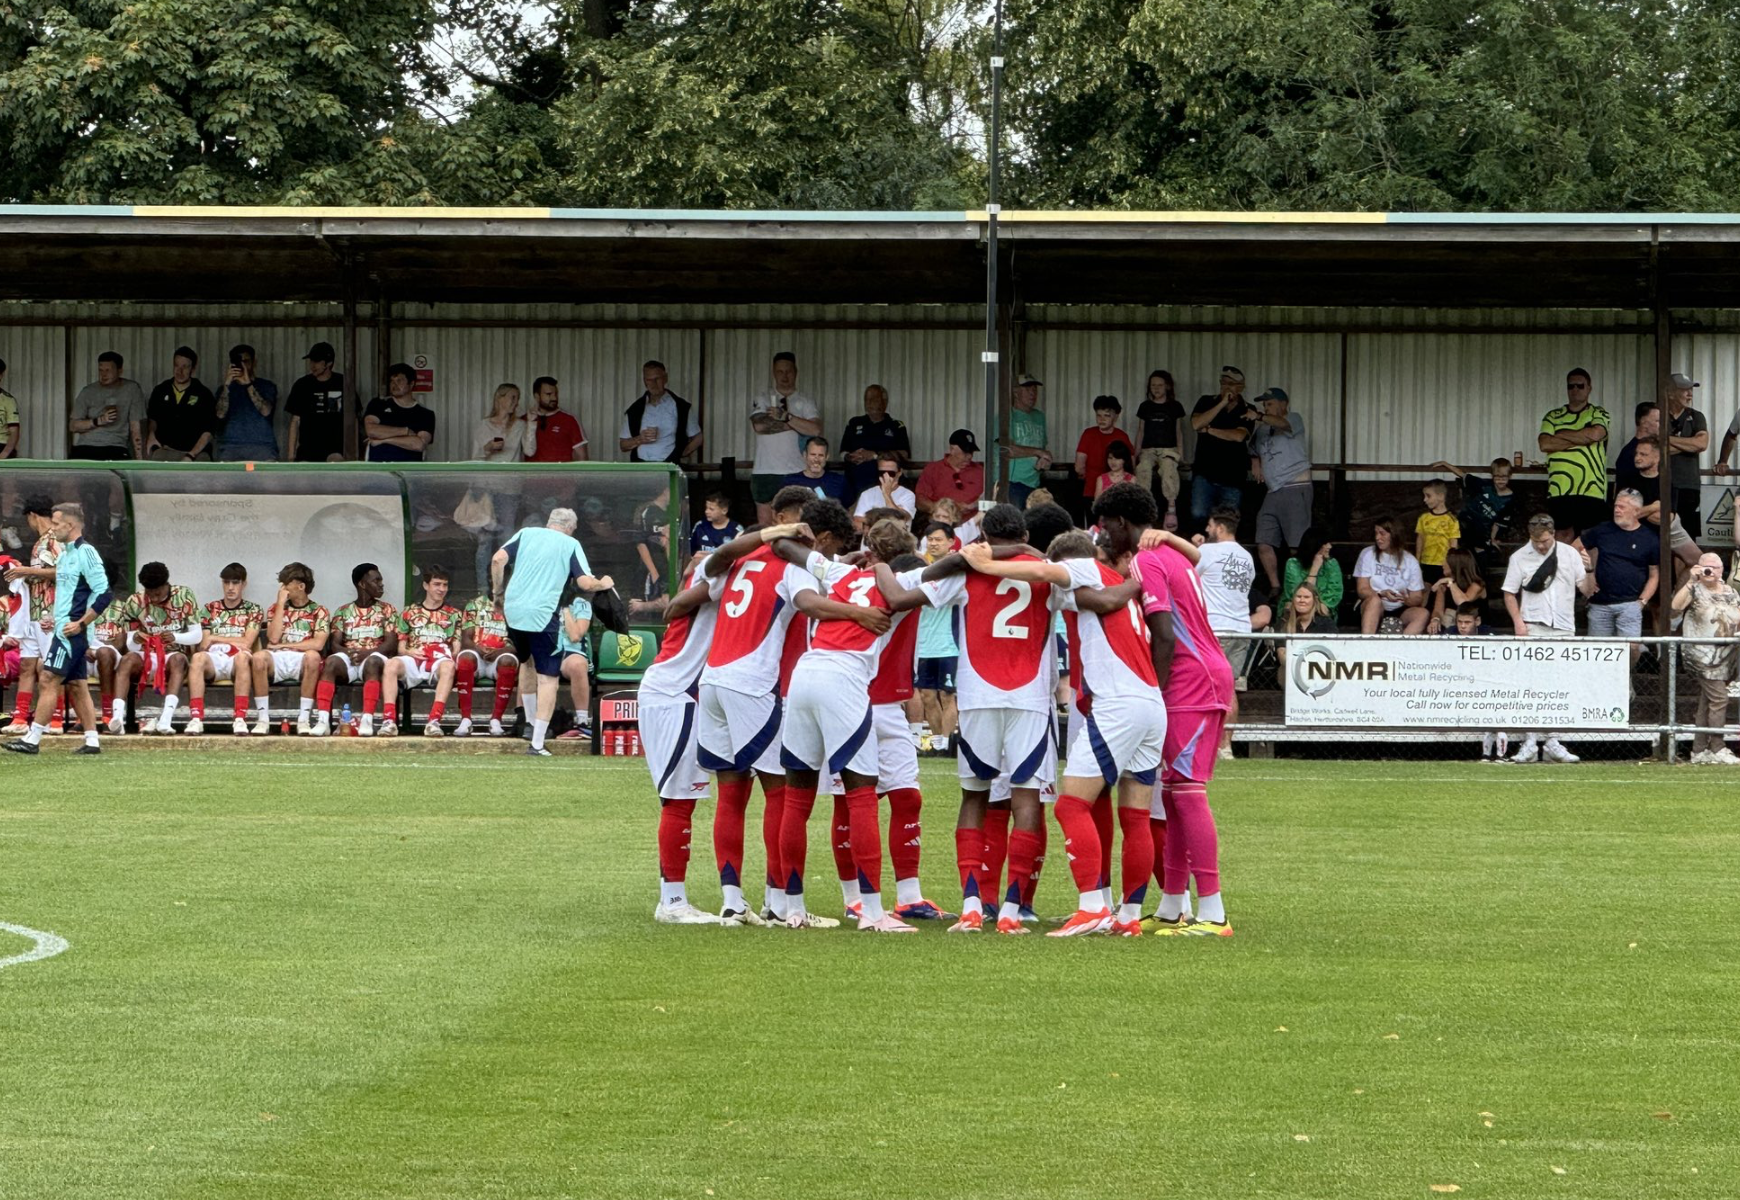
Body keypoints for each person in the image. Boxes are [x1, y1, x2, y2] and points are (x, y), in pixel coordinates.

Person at [960, 527, 1159, 937]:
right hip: (1151, 703)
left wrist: (986, 564)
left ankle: (1091, 906)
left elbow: (1044, 572)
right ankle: (1129, 917)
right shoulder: (1118, 587)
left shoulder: (1085, 568)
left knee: (1071, 805)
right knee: (1135, 815)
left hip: (1119, 703)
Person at [695, 509, 889, 926]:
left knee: (730, 794)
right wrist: (856, 612)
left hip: (711, 679)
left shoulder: (739, 559)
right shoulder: (790, 563)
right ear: (819, 538)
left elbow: (709, 567)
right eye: (833, 545)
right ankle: (780, 904)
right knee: (781, 792)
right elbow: (808, 603)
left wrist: (837, 565)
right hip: (753, 683)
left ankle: (732, 901)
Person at [777, 519, 933, 933]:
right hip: (845, 678)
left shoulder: (841, 572)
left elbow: (787, 549)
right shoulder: (905, 577)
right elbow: (944, 570)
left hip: (805, 672)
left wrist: (839, 557)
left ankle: (792, 907)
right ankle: (873, 913)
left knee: (797, 797)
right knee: (862, 796)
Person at [912, 504, 1057, 934]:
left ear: (983, 535)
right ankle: (1013, 910)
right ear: (1024, 532)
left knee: (974, 797)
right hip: (1030, 697)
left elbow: (923, 583)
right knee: (1027, 798)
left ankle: (974, 906)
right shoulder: (1044, 569)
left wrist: (967, 555)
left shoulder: (969, 568)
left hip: (977, 697)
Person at [1114, 483, 1235, 935]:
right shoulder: (1175, 555)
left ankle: (1214, 910)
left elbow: (1163, 634)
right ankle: (1171, 905)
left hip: (1190, 677)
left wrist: (1154, 691)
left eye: (1108, 525)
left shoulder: (1146, 559)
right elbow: (1199, 559)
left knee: (1186, 791)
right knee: (1173, 792)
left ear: (1123, 523)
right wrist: (1170, 537)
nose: (1106, 534)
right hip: (1205, 670)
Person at [637, 549, 726, 924]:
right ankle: (672, 902)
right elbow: (673, 607)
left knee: (679, 799)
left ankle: (673, 898)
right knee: (678, 799)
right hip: (677, 695)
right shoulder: (711, 584)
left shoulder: (704, 583)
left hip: (676, 693)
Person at [490, 508, 613, 757]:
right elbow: (584, 582)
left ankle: (530, 723)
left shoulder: (525, 533)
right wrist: (604, 582)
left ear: (549, 523)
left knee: (527, 663)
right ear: (571, 527)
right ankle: (537, 743)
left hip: (513, 611)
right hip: (542, 614)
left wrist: (498, 592)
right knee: (548, 678)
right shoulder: (570, 543)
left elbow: (497, 560)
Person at [2, 503, 112, 757]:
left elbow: (104, 592)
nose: (52, 528)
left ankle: (32, 738)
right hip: (64, 627)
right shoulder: (65, 554)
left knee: (49, 677)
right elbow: (66, 593)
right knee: (77, 685)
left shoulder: (87, 553)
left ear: (70, 526)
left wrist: (82, 623)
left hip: (72, 631)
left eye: (56, 523)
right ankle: (93, 740)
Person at [1500, 512, 1587, 764]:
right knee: (1532, 685)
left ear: (1553, 535)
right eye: (1537, 541)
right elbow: (1509, 593)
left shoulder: (1569, 554)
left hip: (1563, 627)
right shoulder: (1519, 557)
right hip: (1533, 626)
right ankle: (1529, 741)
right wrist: (1518, 623)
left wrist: (1589, 566)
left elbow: (1586, 587)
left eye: (1546, 541)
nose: (1541, 546)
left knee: (1559, 685)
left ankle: (1553, 741)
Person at [1194, 507, 1260, 754]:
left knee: (1204, 686)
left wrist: (1194, 546)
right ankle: (1226, 746)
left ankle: (1205, 744)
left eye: (1210, 526)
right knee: (1229, 687)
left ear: (1220, 528)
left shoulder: (1206, 551)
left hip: (1214, 628)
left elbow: (1187, 576)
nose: (1207, 530)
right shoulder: (1247, 556)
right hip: (1241, 628)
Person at [110, 561, 202, 735]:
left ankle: (166, 719)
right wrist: (136, 638)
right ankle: (117, 718)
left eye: (158, 594)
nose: (154, 598)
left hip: (172, 653)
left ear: (167, 585)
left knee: (179, 660)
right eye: (150, 594)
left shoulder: (184, 595)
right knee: (126, 660)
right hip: (145, 654)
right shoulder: (135, 601)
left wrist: (176, 637)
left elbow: (197, 635)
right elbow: (130, 643)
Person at [316, 563, 399, 737]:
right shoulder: (343, 611)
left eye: (381, 580)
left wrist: (366, 654)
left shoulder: (387, 610)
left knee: (373, 662)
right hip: (350, 657)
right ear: (362, 584)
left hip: (374, 657)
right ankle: (323, 721)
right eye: (376, 580)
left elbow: (391, 643)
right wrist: (349, 653)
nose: (381, 584)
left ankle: (367, 720)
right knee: (330, 662)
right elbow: (335, 644)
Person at [382, 566, 465, 738]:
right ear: (426, 585)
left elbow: (456, 647)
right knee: (391, 664)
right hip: (414, 658)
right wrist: (410, 651)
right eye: (437, 584)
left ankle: (434, 721)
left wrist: (447, 653)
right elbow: (401, 648)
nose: (441, 589)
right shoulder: (409, 612)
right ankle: (389, 721)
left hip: (438, 661)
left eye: (445, 585)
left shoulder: (454, 614)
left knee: (449, 666)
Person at [1, 496, 60, 736]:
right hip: (32, 614)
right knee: (27, 665)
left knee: (50, 669)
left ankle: (54, 720)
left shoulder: (56, 539)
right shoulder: (39, 542)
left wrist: (26, 570)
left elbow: (63, 572)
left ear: (32, 515)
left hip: (50, 613)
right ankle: (20, 718)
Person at [1674, 553, 1740, 764]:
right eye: (1706, 567)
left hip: (1726, 653)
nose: (1710, 571)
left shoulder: (1731, 591)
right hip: (1701, 654)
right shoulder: (1693, 589)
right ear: (1698, 568)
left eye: (1714, 567)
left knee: (1707, 701)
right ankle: (1717, 747)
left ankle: (1699, 749)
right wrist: (1690, 581)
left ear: (1722, 570)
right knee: (1719, 698)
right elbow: (1675, 607)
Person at [251, 562, 330, 736]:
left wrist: (284, 645)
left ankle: (303, 719)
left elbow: (317, 644)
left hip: (302, 659)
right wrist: (280, 603)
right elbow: (272, 638)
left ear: (301, 586)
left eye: (286, 584)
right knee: (258, 658)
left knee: (313, 656)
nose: (282, 588)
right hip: (278, 658)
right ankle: (263, 719)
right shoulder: (276, 608)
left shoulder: (319, 611)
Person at [186, 562, 262, 736]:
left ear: (244, 584)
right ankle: (196, 718)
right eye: (226, 582)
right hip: (214, 659)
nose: (230, 587)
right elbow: (204, 644)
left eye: (235, 583)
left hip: (237, 659)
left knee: (243, 657)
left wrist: (214, 637)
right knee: (198, 658)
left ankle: (240, 718)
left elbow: (247, 642)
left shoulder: (253, 610)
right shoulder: (209, 609)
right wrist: (213, 640)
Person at [1248, 387, 1311, 592]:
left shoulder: (1294, 418)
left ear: (1283, 404)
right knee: (1263, 541)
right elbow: (1252, 448)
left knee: (1296, 544)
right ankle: (1275, 587)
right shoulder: (1262, 430)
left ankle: (1300, 589)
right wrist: (1255, 461)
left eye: (1270, 404)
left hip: (1295, 486)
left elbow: (1283, 424)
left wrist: (1258, 416)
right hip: (1272, 490)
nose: (1266, 408)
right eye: (1264, 405)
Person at [469, 383, 528, 591]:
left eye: (517, 398)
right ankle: (481, 589)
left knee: (507, 537)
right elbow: (474, 457)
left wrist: (533, 424)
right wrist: (487, 449)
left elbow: (529, 449)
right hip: (485, 487)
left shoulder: (520, 425)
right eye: (511, 397)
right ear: (499, 398)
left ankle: (507, 587)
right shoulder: (483, 425)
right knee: (484, 539)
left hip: (510, 488)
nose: (515, 402)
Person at [749, 351, 821, 523]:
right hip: (765, 469)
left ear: (795, 372)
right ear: (774, 373)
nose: (784, 376)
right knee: (766, 528)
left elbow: (815, 430)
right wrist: (795, 425)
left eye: (788, 371)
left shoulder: (805, 400)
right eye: (780, 371)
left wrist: (787, 417)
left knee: (796, 523)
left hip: (795, 469)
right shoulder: (764, 398)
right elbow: (759, 426)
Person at [1539, 367, 1610, 540]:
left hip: (1592, 489)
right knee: (1562, 535)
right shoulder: (1552, 416)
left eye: (1580, 386)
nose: (1575, 390)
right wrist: (1582, 436)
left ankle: (1589, 569)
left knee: (1590, 538)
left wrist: (1560, 436)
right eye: (1571, 386)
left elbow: (1595, 434)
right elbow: (1545, 443)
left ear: (1589, 388)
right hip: (1560, 488)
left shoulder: (1598, 412)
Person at [1188, 367, 1255, 530]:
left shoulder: (1248, 409)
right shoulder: (1206, 401)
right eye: (1223, 383)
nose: (1226, 387)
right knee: (1198, 514)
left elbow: (1238, 436)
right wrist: (1222, 403)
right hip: (1204, 473)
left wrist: (1210, 430)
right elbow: (1197, 423)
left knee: (1227, 522)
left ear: (1241, 387)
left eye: (1231, 384)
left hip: (1233, 477)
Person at [914, 522, 959, 752]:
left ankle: (948, 743)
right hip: (923, 644)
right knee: (927, 696)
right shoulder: (918, 569)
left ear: (951, 541)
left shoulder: (957, 568)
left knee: (948, 694)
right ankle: (939, 745)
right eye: (930, 539)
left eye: (939, 539)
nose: (933, 543)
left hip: (949, 644)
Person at [455, 590, 522, 738]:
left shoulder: (516, 605)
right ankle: (465, 719)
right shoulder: (475, 604)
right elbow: (466, 640)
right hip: (477, 654)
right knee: (465, 658)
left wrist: (501, 651)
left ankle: (496, 720)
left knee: (508, 661)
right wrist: (477, 648)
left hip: (502, 655)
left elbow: (520, 643)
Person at [1431, 457, 1517, 570]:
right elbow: (1463, 475)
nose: (1500, 480)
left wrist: (1492, 539)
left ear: (1510, 476)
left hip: (1481, 530)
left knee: (1482, 548)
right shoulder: (1484, 485)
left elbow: (1498, 522)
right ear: (1492, 476)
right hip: (1465, 521)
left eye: (1504, 477)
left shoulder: (1510, 500)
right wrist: (1445, 464)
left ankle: (1479, 577)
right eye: (1497, 476)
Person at [1353, 517, 1429, 635]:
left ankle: (1401, 649)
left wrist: (1406, 599)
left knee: (1422, 614)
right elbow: (1362, 589)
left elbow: (1417, 596)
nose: (1377, 538)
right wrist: (1381, 593)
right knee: (1374, 601)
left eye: (1382, 534)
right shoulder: (1368, 554)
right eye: (1376, 533)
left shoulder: (1410, 560)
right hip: (1373, 604)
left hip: (1400, 607)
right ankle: (1367, 644)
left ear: (1394, 535)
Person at [143, 346, 217, 461]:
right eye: (176, 365)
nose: (179, 371)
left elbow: (209, 430)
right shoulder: (161, 390)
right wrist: (151, 435)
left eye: (185, 367)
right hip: (166, 450)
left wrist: (191, 455)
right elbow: (153, 418)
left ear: (193, 368)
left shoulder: (203, 393)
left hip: (196, 453)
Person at [839, 383, 911, 500]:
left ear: (885, 403)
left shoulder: (896, 426)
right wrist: (850, 456)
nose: (869, 403)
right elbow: (843, 451)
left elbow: (904, 454)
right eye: (867, 400)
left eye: (874, 399)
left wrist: (874, 455)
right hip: (856, 479)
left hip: (884, 480)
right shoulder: (854, 423)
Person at [619, 360, 700, 463]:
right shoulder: (635, 409)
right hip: (641, 468)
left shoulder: (681, 407)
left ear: (665, 378)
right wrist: (640, 439)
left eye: (657, 378)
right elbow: (623, 445)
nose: (653, 384)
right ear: (644, 381)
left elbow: (698, 438)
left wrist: (679, 454)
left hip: (669, 466)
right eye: (649, 380)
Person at [1133, 369, 1185, 529]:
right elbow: (1140, 431)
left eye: (1160, 385)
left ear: (1168, 387)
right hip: (1148, 449)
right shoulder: (1145, 406)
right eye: (1153, 385)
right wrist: (1136, 453)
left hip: (1168, 448)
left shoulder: (1175, 406)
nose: (1156, 388)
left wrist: (1180, 453)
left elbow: (1178, 431)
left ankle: (1171, 508)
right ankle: (1144, 510)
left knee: (1169, 468)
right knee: (1143, 469)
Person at [69, 351, 145, 461]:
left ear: (120, 371)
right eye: (101, 370)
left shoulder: (132, 389)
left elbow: (136, 426)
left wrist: (140, 460)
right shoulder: (88, 391)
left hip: (115, 447)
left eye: (108, 370)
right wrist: (98, 421)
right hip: (86, 446)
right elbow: (73, 426)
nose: (103, 374)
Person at [1662, 373, 1709, 540]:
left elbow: (1701, 444)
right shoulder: (1657, 415)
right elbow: (1652, 448)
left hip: (1689, 487)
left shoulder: (1696, 416)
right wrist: (1689, 445)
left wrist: (1665, 440)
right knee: (1661, 536)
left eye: (1691, 390)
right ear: (1670, 392)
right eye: (1684, 389)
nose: (1690, 394)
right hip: (1662, 485)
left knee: (1686, 538)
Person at [285, 342, 349, 463]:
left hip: (335, 448)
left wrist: (352, 452)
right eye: (311, 361)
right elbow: (295, 420)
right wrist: (291, 455)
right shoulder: (302, 385)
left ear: (329, 363)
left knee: (336, 465)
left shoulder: (343, 383)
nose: (312, 365)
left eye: (317, 361)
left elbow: (353, 420)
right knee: (303, 477)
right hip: (307, 448)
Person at [214, 344, 279, 461]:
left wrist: (248, 384)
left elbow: (266, 411)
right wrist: (227, 385)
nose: (242, 366)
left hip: (262, 446)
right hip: (230, 446)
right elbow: (219, 414)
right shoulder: (224, 389)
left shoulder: (266, 386)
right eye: (239, 362)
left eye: (246, 362)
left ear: (254, 362)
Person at [364, 364, 435, 462]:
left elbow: (418, 444)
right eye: (391, 381)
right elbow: (371, 431)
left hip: (410, 471)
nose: (394, 384)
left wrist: (383, 440)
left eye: (399, 380)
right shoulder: (378, 404)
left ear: (411, 384)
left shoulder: (425, 414)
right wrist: (405, 431)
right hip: (378, 469)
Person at [1073, 395, 1126, 515]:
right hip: (1092, 491)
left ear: (1116, 416)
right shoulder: (1088, 434)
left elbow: (1130, 466)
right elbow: (1079, 467)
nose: (1102, 419)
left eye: (1106, 415)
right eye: (1098, 415)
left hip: (1117, 492)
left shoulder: (1122, 437)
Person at [1003, 375, 1050, 510]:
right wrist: (1038, 452)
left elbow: (1043, 447)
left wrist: (1045, 459)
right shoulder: (1006, 416)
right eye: (1027, 389)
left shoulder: (1039, 416)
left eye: (1034, 389)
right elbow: (1007, 450)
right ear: (1016, 392)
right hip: (1013, 483)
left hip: (1035, 483)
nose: (1032, 393)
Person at [915, 429, 985, 515]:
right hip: (942, 520)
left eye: (971, 452)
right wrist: (943, 510)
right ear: (952, 449)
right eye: (965, 452)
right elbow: (920, 500)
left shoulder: (980, 471)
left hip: (975, 522)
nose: (969, 456)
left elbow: (990, 496)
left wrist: (974, 505)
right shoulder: (933, 469)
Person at [554, 590, 593, 741]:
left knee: (578, 665)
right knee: (528, 663)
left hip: (571, 653)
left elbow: (576, 636)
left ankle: (582, 722)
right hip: (547, 651)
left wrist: (564, 608)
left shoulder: (581, 604)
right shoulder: (541, 600)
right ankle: (527, 721)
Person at [1281, 528, 1342, 619]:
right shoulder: (1293, 563)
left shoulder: (1332, 563)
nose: (1330, 546)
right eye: (1325, 543)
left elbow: (1335, 593)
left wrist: (1317, 606)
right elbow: (1295, 593)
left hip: (1324, 609)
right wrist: (1314, 569)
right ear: (1314, 545)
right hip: (1296, 608)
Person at [1275, 582, 1338, 667]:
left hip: (1319, 668)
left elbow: (1332, 652)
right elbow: (1281, 653)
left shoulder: (1326, 624)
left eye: (1306, 597)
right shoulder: (1284, 622)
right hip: (1289, 669)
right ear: (1293, 599)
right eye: (1298, 597)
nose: (1302, 600)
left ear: (1314, 600)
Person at [1426, 547, 1486, 634]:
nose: (1442, 564)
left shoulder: (1478, 585)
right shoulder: (1443, 584)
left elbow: (1463, 602)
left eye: (1446, 561)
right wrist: (1435, 619)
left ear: (1454, 565)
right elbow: (1438, 610)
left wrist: (1451, 582)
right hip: (1450, 627)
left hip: (1475, 628)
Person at [851, 455, 917, 530]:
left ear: (899, 473)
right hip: (871, 540)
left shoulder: (908, 495)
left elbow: (901, 519)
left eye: (891, 473)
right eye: (881, 473)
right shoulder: (867, 494)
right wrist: (889, 519)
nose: (886, 476)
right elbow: (857, 522)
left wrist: (886, 494)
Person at [1414, 480, 1461, 577]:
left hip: (1443, 564)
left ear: (1441, 496)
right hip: (1426, 562)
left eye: (1428, 496)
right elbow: (1420, 539)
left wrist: (1450, 563)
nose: (1425, 500)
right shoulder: (1423, 518)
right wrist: (1417, 560)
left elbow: (1453, 544)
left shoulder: (1451, 519)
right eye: (1424, 496)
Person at [780, 435, 846, 501]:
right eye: (813, 454)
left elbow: (849, 507)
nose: (816, 459)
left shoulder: (839, 480)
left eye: (821, 455)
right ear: (805, 455)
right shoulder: (790, 482)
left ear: (827, 457)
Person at [0, 356, 20, 459]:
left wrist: (3, 455)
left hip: (1, 445)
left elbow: (14, 432)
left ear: (1, 376)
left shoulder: (8, 401)